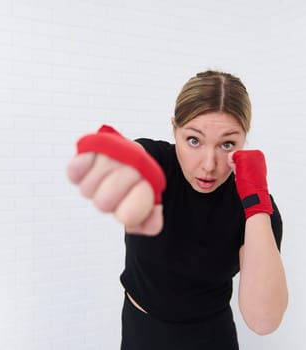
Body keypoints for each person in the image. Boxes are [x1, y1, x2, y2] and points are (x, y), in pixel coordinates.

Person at [67, 70, 288, 350]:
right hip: (142, 333)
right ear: (174, 129)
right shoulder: (154, 163)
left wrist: (256, 203)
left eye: (227, 144)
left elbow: (263, 321)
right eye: (194, 140)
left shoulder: (254, 206)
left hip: (211, 337)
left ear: (245, 140)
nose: (209, 164)